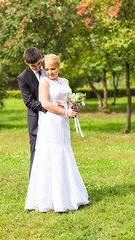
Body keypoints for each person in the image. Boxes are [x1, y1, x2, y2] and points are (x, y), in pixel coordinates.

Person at [25, 54, 89, 212]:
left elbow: (68, 100)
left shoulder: (65, 81)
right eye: (47, 69)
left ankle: (70, 195)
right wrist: (65, 112)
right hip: (51, 122)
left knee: (64, 153)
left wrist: (74, 107)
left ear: (59, 67)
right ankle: (52, 199)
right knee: (52, 155)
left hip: (63, 123)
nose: (50, 72)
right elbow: (45, 103)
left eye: (53, 69)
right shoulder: (44, 82)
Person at [17, 47, 63, 178]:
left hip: (54, 118)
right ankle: (34, 186)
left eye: (39, 63)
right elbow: (29, 102)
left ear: (41, 57)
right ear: (26, 62)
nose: (38, 67)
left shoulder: (49, 68)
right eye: (34, 66)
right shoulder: (22, 78)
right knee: (36, 153)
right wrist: (48, 106)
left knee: (55, 151)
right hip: (36, 119)